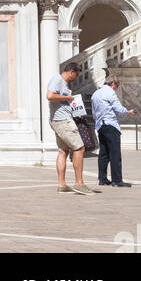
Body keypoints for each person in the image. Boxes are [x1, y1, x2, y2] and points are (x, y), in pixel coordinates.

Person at [46, 61, 92, 194]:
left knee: (63, 151)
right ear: (72, 72)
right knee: (79, 148)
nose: (75, 78)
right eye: (75, 75)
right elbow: (49, 96)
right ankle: (79, 183)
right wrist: (68, 98)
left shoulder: (62, 83)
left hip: (58, 120)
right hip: (63, 121)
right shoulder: (58, 80)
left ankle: (62, 184)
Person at [92, 73, 135, 187]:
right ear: (113, 84)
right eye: (117, 85)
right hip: (110, 124)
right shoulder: (110, 92)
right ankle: (117, 180)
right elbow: (118, 108)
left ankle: (102, 179)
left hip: (100, 125)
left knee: (103, 153)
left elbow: (94, 112)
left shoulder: (95, 94)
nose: (117, 88)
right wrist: (128, 112)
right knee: (115, 153)